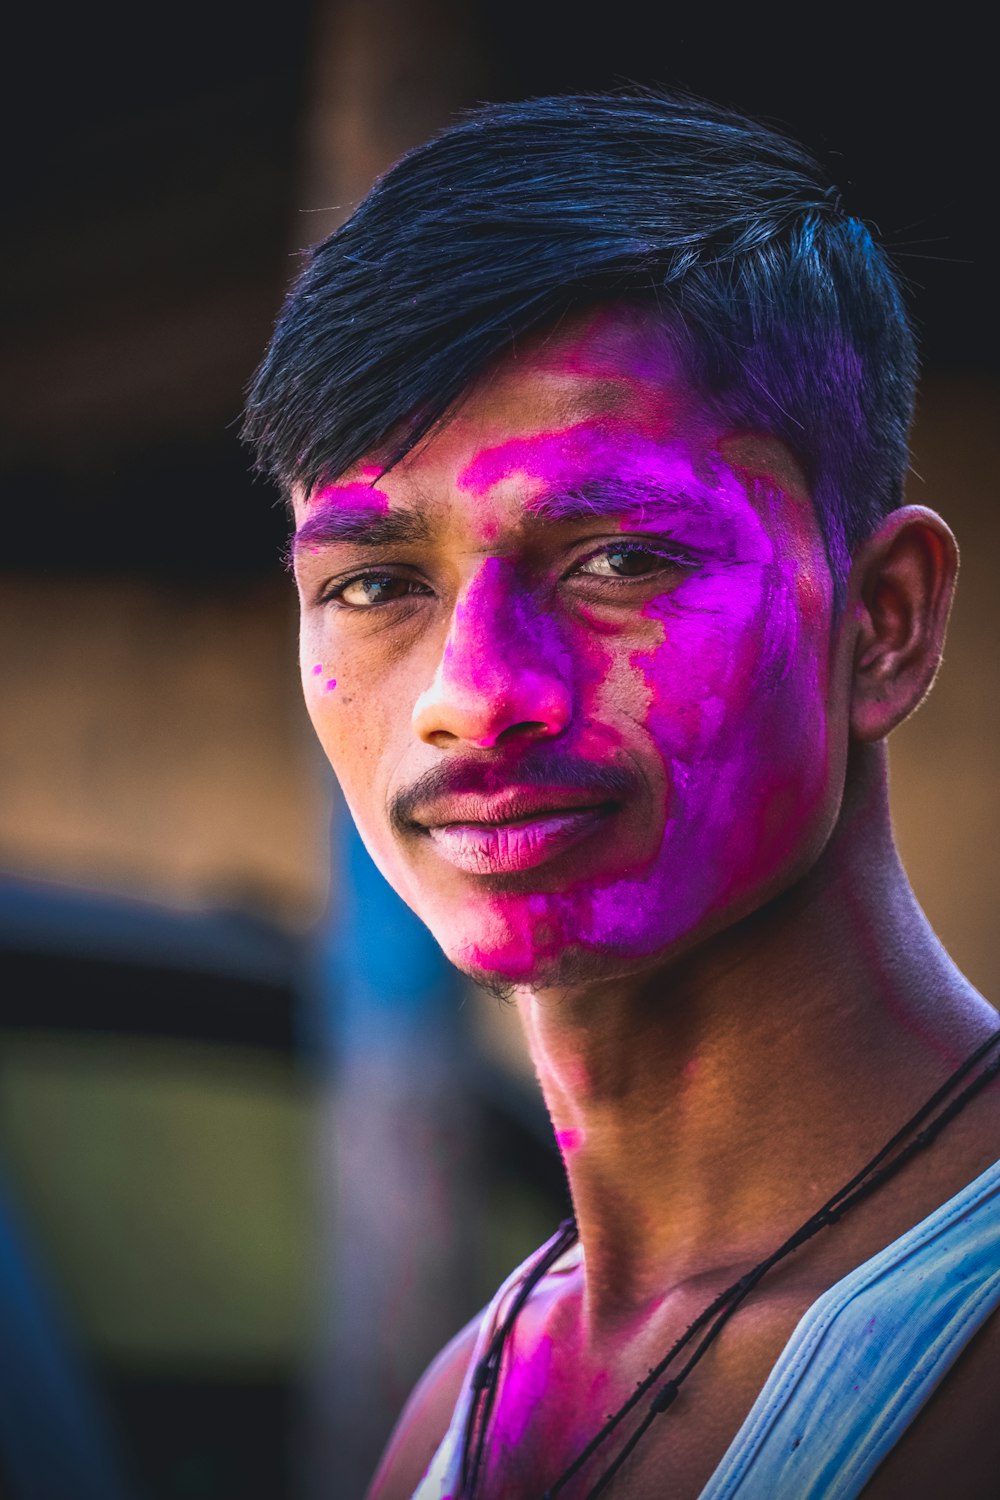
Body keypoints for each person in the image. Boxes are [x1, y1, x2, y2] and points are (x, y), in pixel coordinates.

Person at [244, 93, 1000, 1499]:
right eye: (373, 586)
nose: (472, 690)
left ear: (885, 622)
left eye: (620, 562)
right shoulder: (458, 1413)